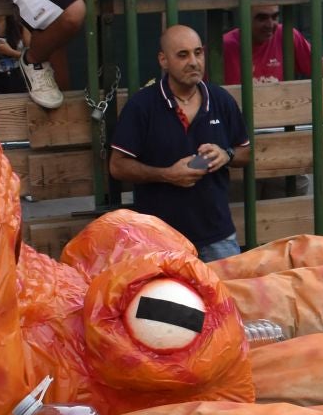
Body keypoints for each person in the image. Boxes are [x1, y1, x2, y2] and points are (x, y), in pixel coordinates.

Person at [108, 25, 251, 262]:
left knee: (225, 288)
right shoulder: (142, 106)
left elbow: (245, 152)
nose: (194, 62)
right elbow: (117, 166)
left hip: (217, 237)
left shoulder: (221, 100)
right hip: (158, 240)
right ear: (163, 60)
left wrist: (226, 154)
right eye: (182, 55)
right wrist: (167, 175)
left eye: (198, 52)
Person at [221, 7, 323, 85]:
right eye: (262, 18)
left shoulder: (287, 35)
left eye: (275, 17)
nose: (270, 25)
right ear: (243, 18)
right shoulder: (224, 46)